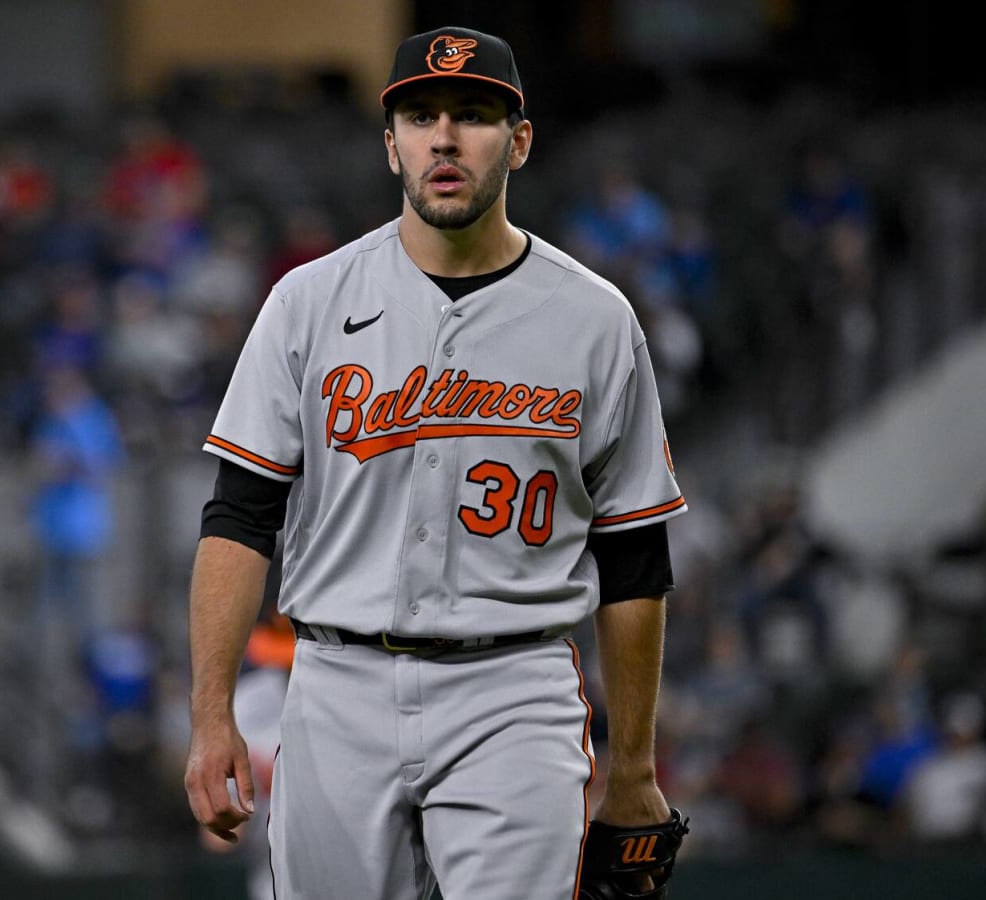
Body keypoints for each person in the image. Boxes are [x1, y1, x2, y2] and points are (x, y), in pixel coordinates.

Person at [183, 26, 689, 899]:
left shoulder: (596, 320)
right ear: (392, 146)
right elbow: (238, 514)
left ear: (519, 141)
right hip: (335, 681)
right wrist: (211, 715)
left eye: (474, 114)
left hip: (514, 686)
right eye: (420, 116)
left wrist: (634, 768)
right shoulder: (308, 302)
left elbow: (634, 555)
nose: (444, 138)